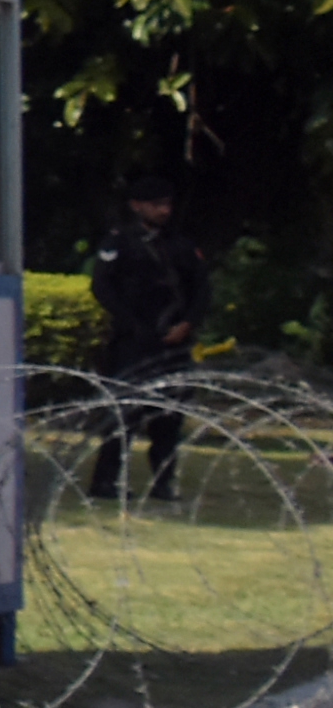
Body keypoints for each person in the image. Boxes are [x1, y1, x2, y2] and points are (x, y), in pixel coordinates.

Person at [85, 173, 208, 503]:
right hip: (134, 341)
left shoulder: (180, 244)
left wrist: (188, 323)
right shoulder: (119, 241)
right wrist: (132, 323)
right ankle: (106, 481)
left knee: (170, 417)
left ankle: (163, 482)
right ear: (137, 205)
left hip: (174, 341)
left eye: (167, 204)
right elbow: (102, 286)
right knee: (124, 414)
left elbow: (201, 289)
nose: (164, 211)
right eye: (156, 205)